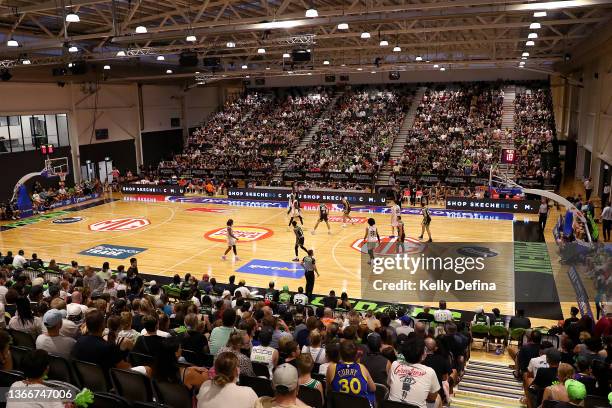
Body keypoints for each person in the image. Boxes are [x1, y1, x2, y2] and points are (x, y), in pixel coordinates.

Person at [387, 335, 441, 408]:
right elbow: (432, 398)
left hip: (392, 406)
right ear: (422, 355)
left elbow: (390, 384)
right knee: (438, 398)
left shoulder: (395, 364)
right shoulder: (430, 372)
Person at [327, 340, 377, 406]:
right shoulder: (362, 367)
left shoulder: (331, 368)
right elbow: (373, 388)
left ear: (340, 354)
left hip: (339, 405)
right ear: (356, 354)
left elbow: (328, 390)